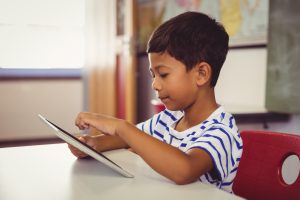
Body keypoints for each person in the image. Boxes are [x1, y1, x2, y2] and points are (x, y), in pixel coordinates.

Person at [69, 11, 243, 193]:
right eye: (153, 75)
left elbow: (185, 170)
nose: (155, 84)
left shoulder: (221, 131)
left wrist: (121, 126)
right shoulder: (167, 119)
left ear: (201, 74)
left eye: (163, 74)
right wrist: (92, 144)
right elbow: (128, 139)